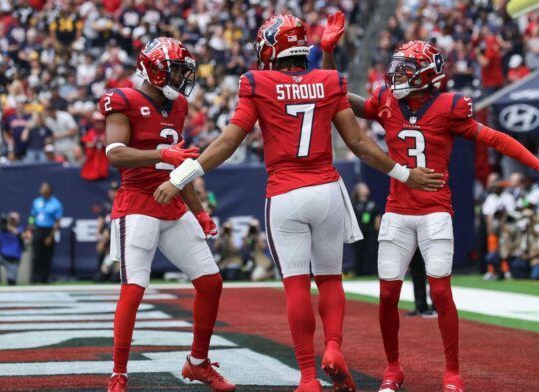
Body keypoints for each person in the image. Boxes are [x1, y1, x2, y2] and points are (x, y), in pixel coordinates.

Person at [152, 14, 438, 392]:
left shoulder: (257, 82)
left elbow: (228, 142)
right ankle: (334, 348)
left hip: (285, 192)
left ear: (271, 47)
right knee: (331, 279)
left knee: (296, 285)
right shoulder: (329, 80)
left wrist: (181, 177)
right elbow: (360, 145)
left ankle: (307, 377)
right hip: (327, 190)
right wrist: (404, 173)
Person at [322, 16, 539, 391]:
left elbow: (497, 140)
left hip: (435, 210)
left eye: (405, 70)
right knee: (388, 293)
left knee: (441, 292)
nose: (396, 77)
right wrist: (328, 52)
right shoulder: (387, 99)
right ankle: (393, 368)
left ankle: (452, 372)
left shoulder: (449, 107)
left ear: (425, 75)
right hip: (397, 209)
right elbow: (337, 95)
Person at [100, 37, 234, 392]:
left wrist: (200, 212)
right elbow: (115, 153)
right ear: (154, 70)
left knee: (210, 282)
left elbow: (179, 166)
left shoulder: (178, 107)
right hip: (138, 201)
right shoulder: (124, 99)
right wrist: (162, 154)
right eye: (174, 71)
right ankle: (118, 372)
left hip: (171, 201)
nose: (180, 79)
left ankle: (198, 363)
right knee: (134, 289)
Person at [30, 182, 63, 284]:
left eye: (44, 188)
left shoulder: (56, 204)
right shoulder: (36, 202)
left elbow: (57, 222)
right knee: (36, 255)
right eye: (41, 187)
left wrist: (51, 236)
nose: (41, 189)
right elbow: (32, 216)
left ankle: (44, 278)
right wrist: (30, 227)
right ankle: (35, 277)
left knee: (47, 256)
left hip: (49, 230)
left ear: (49, 190)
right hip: (38, 229)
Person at [351, 182, 380, 276]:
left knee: (372, 251)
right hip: (359, 230)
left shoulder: (371, 203)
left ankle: (374, 271)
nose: (366, 189)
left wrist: (377, 224)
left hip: (371, 230)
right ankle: (359, 272)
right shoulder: (355, 204)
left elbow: (377, 214)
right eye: (364, 188)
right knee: (358, 252)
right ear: (358, 191)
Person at [405, 250, 437, 318]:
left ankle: (436, 308)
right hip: (413, 241)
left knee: (434, 268)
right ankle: (420, 307)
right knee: (415, 268)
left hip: (430, 241)